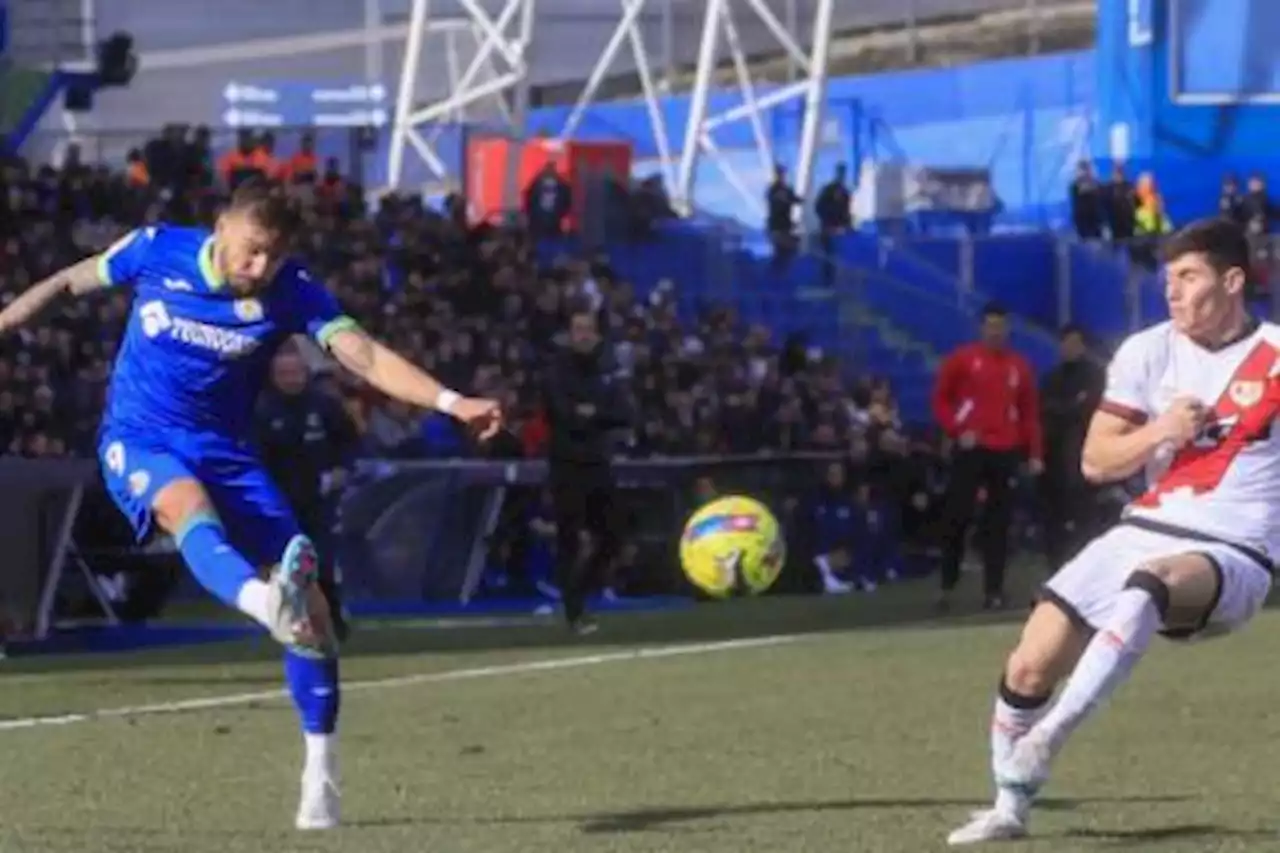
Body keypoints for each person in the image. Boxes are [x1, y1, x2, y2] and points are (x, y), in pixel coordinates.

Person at [0, 179, 502, 831]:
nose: (259, 267)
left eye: (273, 256)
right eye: (252, 251)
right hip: (141, 436)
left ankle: (319, 772)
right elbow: (70, 281)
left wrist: (452, 401)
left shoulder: (291, 289)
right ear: (222, 227)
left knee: (315, 611)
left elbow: (365, 354)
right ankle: (268, 603)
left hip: (227, 452)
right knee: (187, 508)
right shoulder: (155, 250)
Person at [947, 218, 1276, 845]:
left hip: (1233, 549)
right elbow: (1096, 463)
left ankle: (1051, 736)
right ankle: (1007, 809)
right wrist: (1161, 431)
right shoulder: (1147, 351)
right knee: (1027, 667)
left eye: (1188, 277)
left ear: (1232, 281)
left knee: (1149, 582)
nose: (1172, 292)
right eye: (1166, 279)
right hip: (1143, 526)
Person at [932, 303, 1043, 611]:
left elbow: (1029, 412)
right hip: (971, 449)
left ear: (1007, 330)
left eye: (1001, 326)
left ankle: (993, 591)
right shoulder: (963, 360)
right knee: (957, 517)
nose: (996, 332)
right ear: (981, 328)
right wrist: (956, 429)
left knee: (999, 523)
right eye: (991, 325)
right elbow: (941, 399)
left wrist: (1034, 453)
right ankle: (946, 586)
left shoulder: (1018, 366)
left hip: (1005, 451)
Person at [255, 345, 360, 641]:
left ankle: (333, 618)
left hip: (320, 499)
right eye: (284, 374)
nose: (292, 379)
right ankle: (286, 620)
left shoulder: (324, 405)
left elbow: (350, 442)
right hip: (279, 502)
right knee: (283, 564)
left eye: (296, 372)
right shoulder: (262, 409)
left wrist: (343, 469)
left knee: (323, 561)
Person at [544, 309, 631, 634]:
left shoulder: (607, 369)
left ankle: (579, 593)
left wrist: (591, 412)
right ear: (569, 333)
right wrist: (596, 413)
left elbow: (624, 413)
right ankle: (573, 611)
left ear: (597, 334)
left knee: (613, 536)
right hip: (566, 465)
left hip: (598, 463)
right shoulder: (556, 370)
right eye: (577, 328)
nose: (582, 335)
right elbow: (563, 413)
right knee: (569, 538)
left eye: (588, 329)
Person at [1038, 325, 1106, 569]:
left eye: (1074, 343)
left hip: (1084, 456)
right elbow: (1045, 409)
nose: (1069, 348)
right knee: (1055, 514)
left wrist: (1065, 409)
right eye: (1065, 343)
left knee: (1084, 513)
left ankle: (1086, 564)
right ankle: (1055, 565)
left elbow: (1086, 408)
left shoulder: (1095, 376)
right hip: (1054, 456)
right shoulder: (1051, 377)